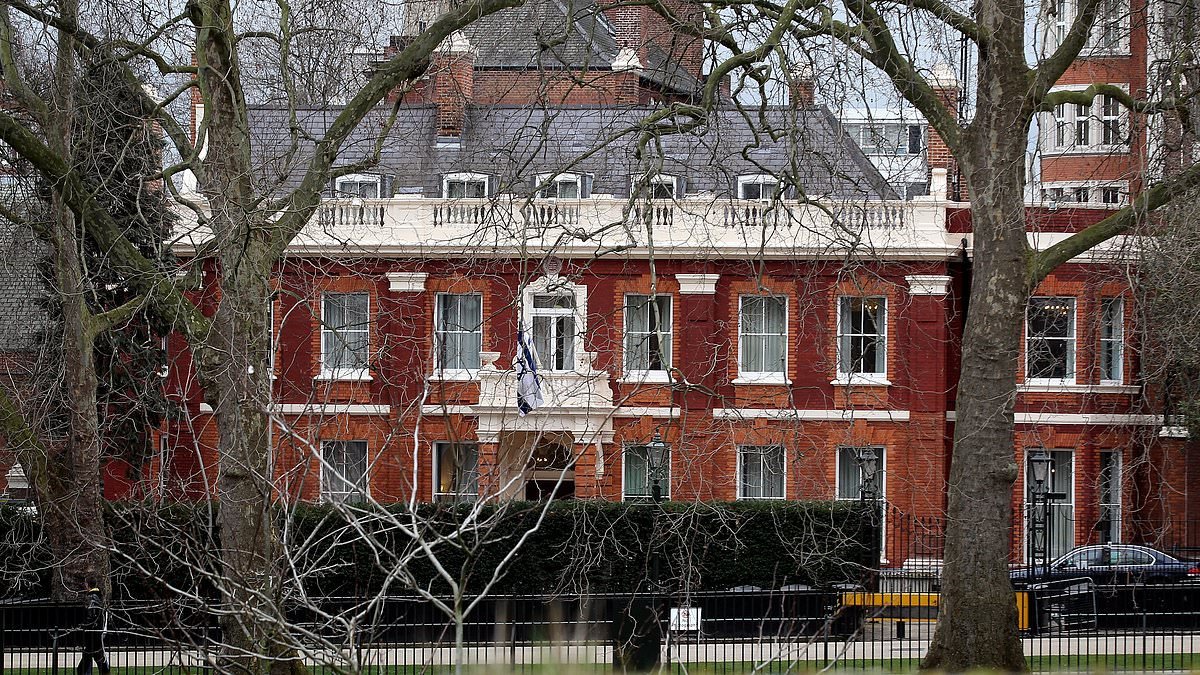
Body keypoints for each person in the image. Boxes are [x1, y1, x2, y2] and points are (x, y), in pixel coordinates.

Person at [76, 585, 110, 675]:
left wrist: (83, 626)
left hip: (92, 634)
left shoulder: (92, 597)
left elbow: (92, 617)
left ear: (87, 585)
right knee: (98, 658)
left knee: (87, 661)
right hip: (97, 634)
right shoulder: (100, 597)